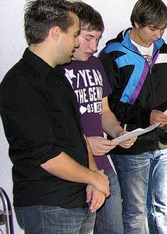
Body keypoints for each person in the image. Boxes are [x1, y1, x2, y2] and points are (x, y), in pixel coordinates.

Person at [0, 0, 110, 232]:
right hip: (48, 204)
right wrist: (92, 178)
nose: (76, 42)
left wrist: (92, 175)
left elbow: (77, 132)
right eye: (75, 34)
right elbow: (45, 155)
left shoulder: (58, 75)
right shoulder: (21, 83)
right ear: (55, 33)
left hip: (78, 198)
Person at [99, 0, 167, 232]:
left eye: (162, 28)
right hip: (131, 144)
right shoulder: (113, 54)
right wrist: (146, 115)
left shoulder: (165, 50)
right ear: (136, 22)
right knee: (135, 212)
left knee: (161, 207)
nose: (158, 34)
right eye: (152, 28)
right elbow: (108, 107)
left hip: (161, 142)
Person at [64, 2, 137, 233]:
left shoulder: (95, 64)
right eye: (88, 38)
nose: (94, 46)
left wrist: (118, 132)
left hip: (104, 168)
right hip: (72, 171)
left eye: (98, 39)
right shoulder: (57, 69)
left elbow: (104, 111)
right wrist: (86, 142)